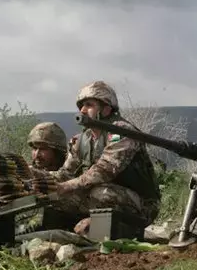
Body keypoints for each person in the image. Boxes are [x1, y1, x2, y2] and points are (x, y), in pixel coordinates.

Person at [40, 80, 162, 237]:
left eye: (89, 105)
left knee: (99, 192)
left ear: (105, 109)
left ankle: (110, 230)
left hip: (142, 205)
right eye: (81, 106)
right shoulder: (81, 140)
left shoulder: (122, 132)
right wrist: (37, 177)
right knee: (52, 198)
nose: (82, 111)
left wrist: (66, 187)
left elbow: (104, 170)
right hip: (104, 196)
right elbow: (65, 174)